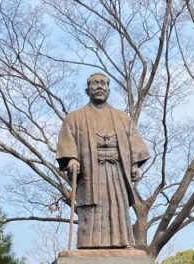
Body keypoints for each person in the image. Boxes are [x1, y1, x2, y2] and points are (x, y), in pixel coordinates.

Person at [56, 73, 150, 249]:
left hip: (117, 173)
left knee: (118, 206)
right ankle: (89, 245)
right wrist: (72, 160)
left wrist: (134, 165)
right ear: (87, 90)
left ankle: (123, 243)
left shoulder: (122, 118)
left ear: (108, 89)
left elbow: (135, 144)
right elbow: (67, 144)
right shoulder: (74, 118)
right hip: (91, 172)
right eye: (94, 84)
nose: (99, 87)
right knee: (92, 207)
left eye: (103, 84)